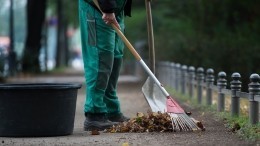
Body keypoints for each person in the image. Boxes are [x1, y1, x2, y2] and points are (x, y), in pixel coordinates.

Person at [78, 0, 132, 131]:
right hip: (98, 8)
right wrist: (107, 8)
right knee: (100, 59)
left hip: (116, 8)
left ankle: (110, 110)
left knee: (115, 57)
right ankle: (95, 113)